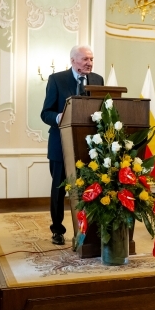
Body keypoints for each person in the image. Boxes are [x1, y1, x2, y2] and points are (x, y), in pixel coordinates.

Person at [40, 45, 104, 245]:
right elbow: (45, 112)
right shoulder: (57, 80)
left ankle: (88, 229)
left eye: (91, 59)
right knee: (59, 189)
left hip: (89, 146)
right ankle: (57, 230)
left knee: (89, 188)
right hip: (61, 145)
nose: (89, 63)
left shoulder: (97, 80)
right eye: (85, 59)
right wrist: (59, 116)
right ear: (73, 60)